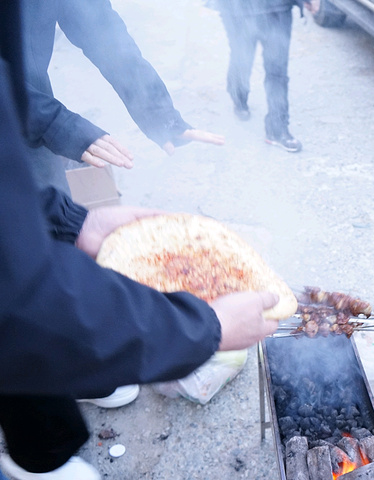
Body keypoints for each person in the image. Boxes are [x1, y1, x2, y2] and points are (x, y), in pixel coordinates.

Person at [0, 3, 278, 479]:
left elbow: (95, 20)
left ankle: (69, 383)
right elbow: (17, 284)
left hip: (16, 120)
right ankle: (36, 453)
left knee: (43, 233)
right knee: (26, 292)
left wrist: (70, 221)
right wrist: (204, 327)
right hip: (22, 118)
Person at [21, 0, 225, 194]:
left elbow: (98, 26)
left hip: (31, 128)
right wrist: (57, 124)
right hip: (33, 117)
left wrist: (158, 112)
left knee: (51, 213)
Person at [215, 0, 305, 152]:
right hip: (238, 9)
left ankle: (277, 128)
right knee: (241, 59)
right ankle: (239, 97)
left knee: (277, 68)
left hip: (277, 8)